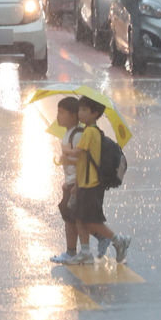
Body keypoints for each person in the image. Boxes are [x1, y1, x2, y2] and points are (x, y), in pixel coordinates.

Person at [65, 96, 131, 265]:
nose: (80, 113)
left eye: (84, 110)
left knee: (92, 220)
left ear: (95, 113)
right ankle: (85, 251)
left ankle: (118, 240)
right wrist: (77, 185)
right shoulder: (89, 131)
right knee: (80, 217)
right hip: (85, 183)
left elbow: (77, 153)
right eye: (79, 110)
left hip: (92, 185)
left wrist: (66, 151)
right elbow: (83, 160)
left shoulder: (90, 132)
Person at [50, 97, 110, 265]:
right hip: (70, 182)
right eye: (58, 112)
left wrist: (75, 184)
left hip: (77, 183)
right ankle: (75, 250)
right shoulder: (69, 133)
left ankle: (89, 243)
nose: (58, 116)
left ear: (74, 116)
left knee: (77, 219)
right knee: (72, 218)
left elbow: (81, 162)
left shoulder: (77, 135)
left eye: (62, 113)